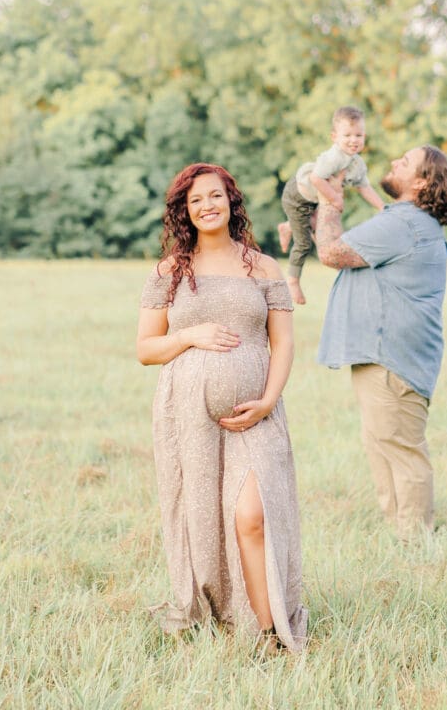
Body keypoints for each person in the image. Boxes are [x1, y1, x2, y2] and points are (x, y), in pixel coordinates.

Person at [136, 163, 307, 654]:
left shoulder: (262, 267)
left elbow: (284, 342)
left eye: (215, 196)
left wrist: (269, 401)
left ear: (231, 201)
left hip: (255, 410)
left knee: (252, 515)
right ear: (184, 212)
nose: (207, 205)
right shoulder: (169, 271)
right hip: (186, 413)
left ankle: (272, 631)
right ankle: (225, 615)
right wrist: (191, 335)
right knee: (203, 515)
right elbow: (146, 348)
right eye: (195, 201)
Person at [313, 145, 447, 539]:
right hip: (386, 356)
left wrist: (329, 200)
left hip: (391, 357)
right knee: (384, 445)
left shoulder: (405, 223)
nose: (395, 162)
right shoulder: (408, 222)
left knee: (400, 450)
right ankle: (401, 535)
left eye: (405, 162)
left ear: (423, 182)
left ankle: (414, 542)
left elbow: (330, 252)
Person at [277, 106, 385, 305]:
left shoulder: (357, 164)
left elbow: (364, 187)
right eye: (347, 135)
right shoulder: (334, 157)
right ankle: (292, 281)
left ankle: (288, 226)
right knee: (304, 243)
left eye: (359, 135)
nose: (354, 140)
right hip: (298, 197)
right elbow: (316, 179)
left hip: (314, 199)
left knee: (318, 230)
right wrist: (335, 198)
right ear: (334, 137)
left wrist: (381, 207)